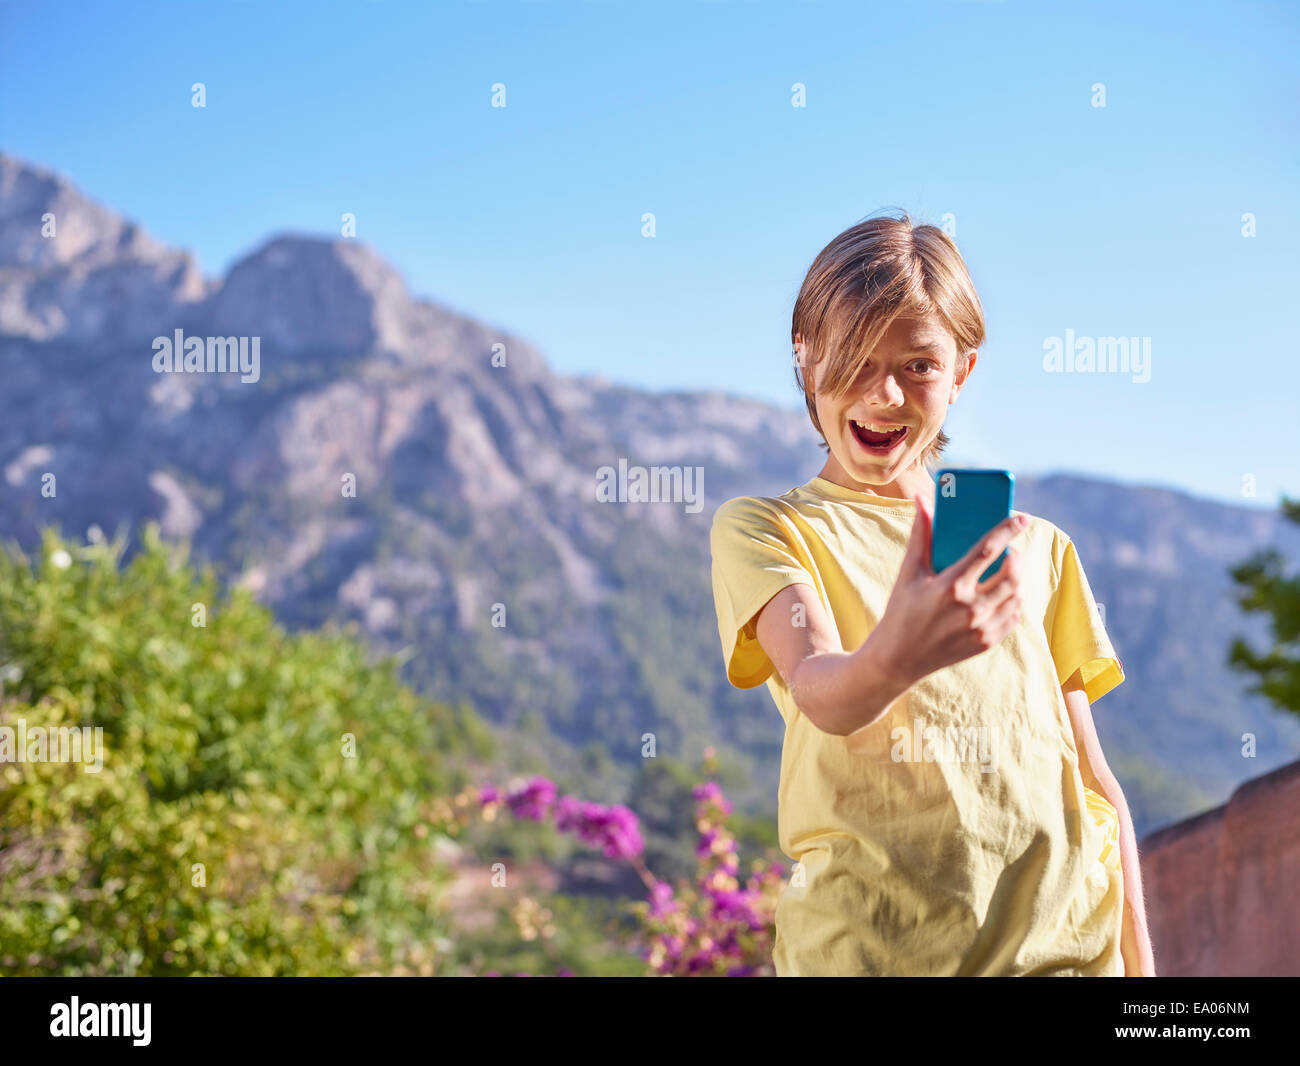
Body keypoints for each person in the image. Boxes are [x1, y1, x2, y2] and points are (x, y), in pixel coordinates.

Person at [709, 211, 1156, 976]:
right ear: (806, 360)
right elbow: (822, 688)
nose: (884, 395)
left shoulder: (1037, 549)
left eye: (918, 365)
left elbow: (1092, 777)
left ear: (962, 373)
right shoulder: (767, 529)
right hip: (870, 958)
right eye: (853, 359)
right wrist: (894, 656)